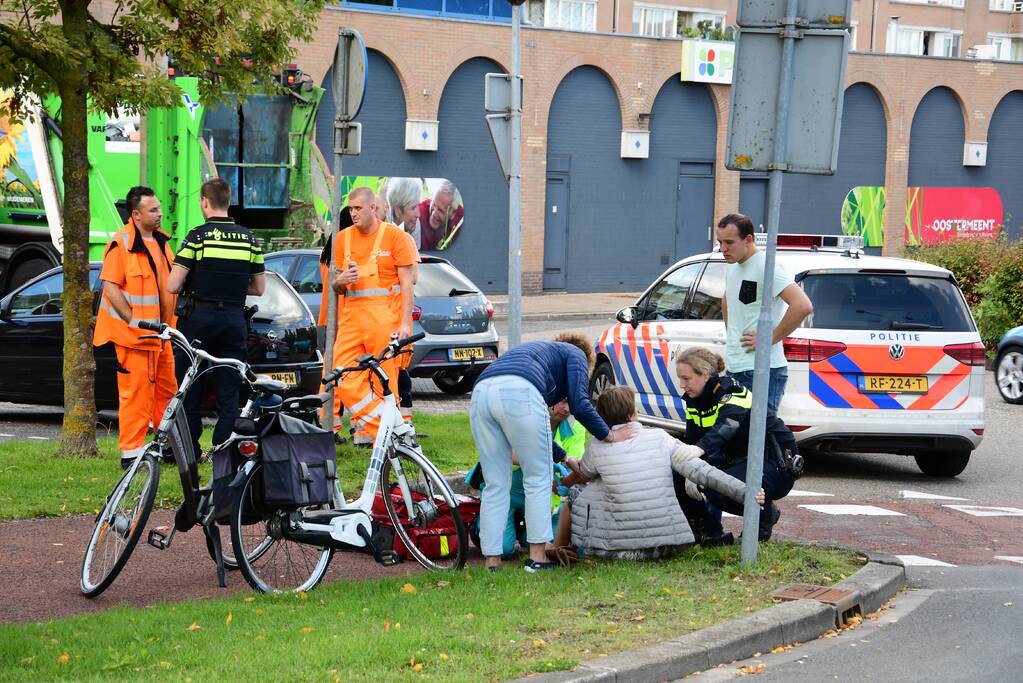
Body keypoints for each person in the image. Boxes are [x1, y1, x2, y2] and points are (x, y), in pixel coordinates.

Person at [469, 333, 635, 573]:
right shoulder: (576, 354)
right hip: (521, 392)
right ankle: (538, 557)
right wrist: (609, 435)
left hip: (481, 392)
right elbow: (580, 403)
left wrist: (566, 458)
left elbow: (536, 440)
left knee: (495, 482)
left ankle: (492, 561)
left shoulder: (537, 351)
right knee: (538, 478)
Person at [167, 178, 265, 457]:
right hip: (234, 319)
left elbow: (173, 285)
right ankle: (224, 449)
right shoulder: (249, 239)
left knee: (190, 383)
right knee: (229, 388)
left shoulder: (197, 236)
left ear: (204, 202)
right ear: (229, 201)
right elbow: (258, 288)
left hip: (198, 318)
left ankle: (189, 450)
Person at [93, 186, 178, 468]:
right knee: (136, 396)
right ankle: (131, 454)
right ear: (136, 214)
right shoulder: (122, 243)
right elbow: (111, 286)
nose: (159, 214)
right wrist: (131, 319)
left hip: (161, 336)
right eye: (153, 210)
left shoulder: (162, 243)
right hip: (133, 338)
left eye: (159, 208)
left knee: (167, 393)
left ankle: (166, 448)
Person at [673, 347, 795, 542]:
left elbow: (727, 426)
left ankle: (765, 515)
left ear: (705, 375)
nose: (681, 384)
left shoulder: (733, 392)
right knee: (677, 471)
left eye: (686, 378)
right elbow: (693, 437)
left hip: (775, 459)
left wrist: (697, 451)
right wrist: (689, 469)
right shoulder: (695, 400)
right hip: (741, 460)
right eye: (680, 378)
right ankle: (709, 532)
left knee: (717, 489)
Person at [329, 186, 416, 446]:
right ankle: (391, 431)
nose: (353, 213)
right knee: (341, 374)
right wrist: (340, 281)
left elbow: (408, 284)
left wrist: (404, 324)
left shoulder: (395, 237)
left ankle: (385, 439)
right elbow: (337, 286)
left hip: (384, 320)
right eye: (350, 209)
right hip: (352, 319)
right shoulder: (342, 238)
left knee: (384, 382)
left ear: (372, 208)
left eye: (357, 208)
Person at [715, 213, 813, 413]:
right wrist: (733, 338)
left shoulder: (767, 266)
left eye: (729, 242)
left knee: (760, 439)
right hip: (737, 367)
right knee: (738, 438)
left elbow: (802, 305)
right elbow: (727, 300)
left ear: (748, 239)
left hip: (761, 370)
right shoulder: (733, 267)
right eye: (719, 242)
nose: (722, 249)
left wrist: (769, 338)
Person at [418, 180, 464, 251]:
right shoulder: (419, 213)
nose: (434, 213)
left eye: (440, 210)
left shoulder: (461, 220)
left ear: (453, 213)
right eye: (433, 204)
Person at [387, 177, 425, 249]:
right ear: (398, 210)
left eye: (418, 205)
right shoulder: (382, 224)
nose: (418, 215)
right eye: (413, 208)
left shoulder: (415, 223)